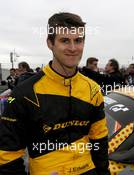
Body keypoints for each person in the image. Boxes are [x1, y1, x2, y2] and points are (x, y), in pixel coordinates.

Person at [0, 12, 109, 175]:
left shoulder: (93, 89)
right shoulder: (24, 93)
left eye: (78, 41)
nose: (73, 48)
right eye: (65, 40)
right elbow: (7, 156)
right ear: (50, 43)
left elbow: (99, 140)